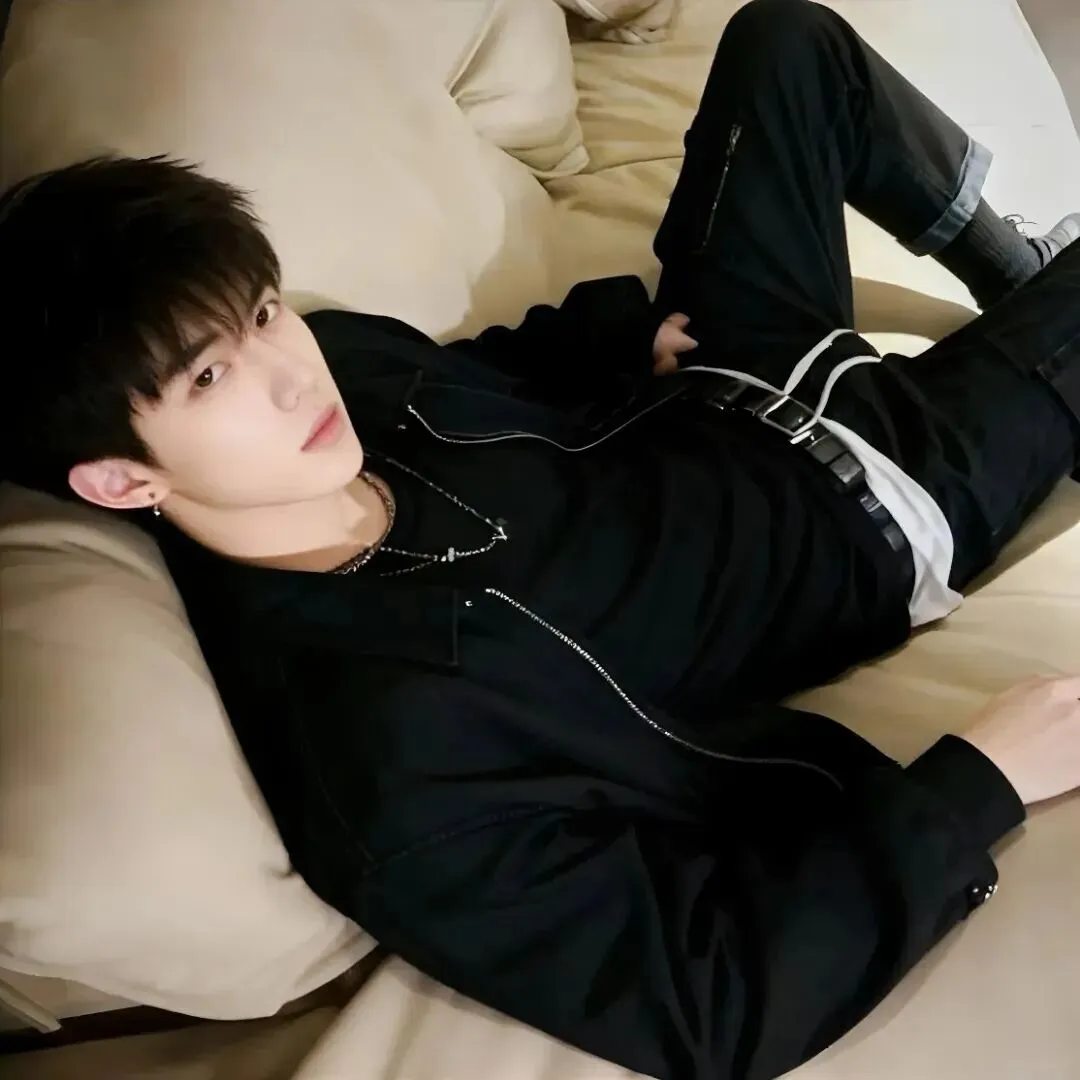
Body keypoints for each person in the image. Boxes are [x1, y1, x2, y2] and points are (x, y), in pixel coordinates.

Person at [6, 0, 1080, 1076]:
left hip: (723, 377)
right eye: (209, 377)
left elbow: (483, 366)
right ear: (122, 479)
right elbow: (706, 1000)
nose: (292, 374)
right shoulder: (392, 754)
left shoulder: (338, 383)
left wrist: (618, 335)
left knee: (788, 44)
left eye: (262, 313)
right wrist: (976, 782)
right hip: (881, 508)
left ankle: (1022, 273)